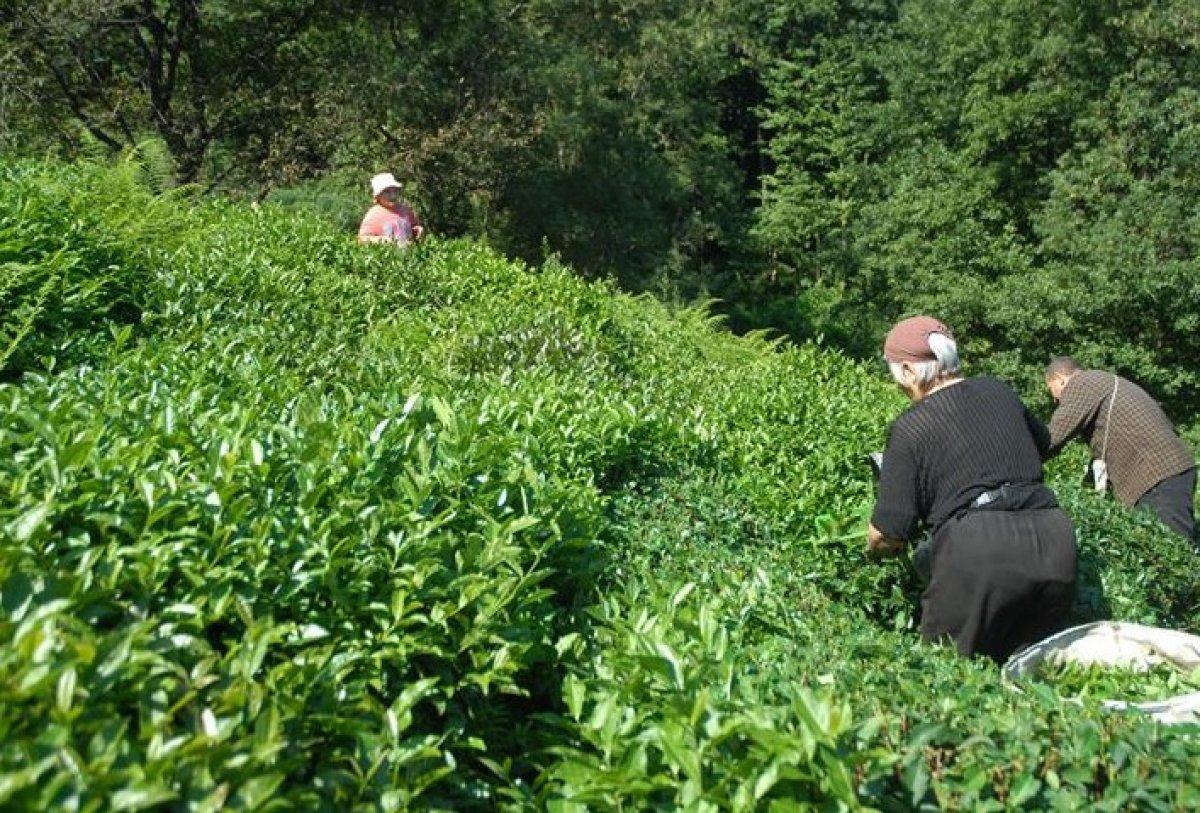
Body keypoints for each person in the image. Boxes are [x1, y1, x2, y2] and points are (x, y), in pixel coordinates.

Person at [867, 316, 1077, 662]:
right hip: (1054, 539)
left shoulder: (910, 428)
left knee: (943, 678)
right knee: (1033, 676)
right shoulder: (999, 390)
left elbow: (889, 533)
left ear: (906, 371)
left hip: (979, 552)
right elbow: (1042, 444)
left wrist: (872, 551)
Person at [1043, 357, 1197, 544]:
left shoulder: (1082, 383)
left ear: (1060, 379)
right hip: (1168, 471)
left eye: (1053, 391)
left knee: (1174, 550)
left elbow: (1052, 437)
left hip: (1157, 475)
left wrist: (1018, 456)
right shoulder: (1104, 381)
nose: (1055, 399)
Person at [358, 172, 425, 246]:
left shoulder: (405, 210)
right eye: (387, 192)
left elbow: (414, 227)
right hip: (386, 256)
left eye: (395, 191)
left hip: (409, 255)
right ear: (378, 196)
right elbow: (362, 239)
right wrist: (382, 240)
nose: (392, 195)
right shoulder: (374, 214)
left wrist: (418, 230)